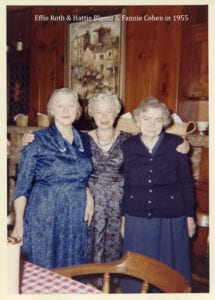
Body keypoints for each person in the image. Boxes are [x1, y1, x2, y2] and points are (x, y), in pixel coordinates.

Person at [21, 93, 190, 276]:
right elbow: (68, 168)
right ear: (91, 113)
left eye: (109, 111)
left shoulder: (129, 140)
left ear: (117, 113)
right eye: (99, 112)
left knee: (115, 245)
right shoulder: (82, 139)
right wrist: (29, 138)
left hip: (118, 201)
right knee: (84, 245)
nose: (104, 117)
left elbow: (155, 144)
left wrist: (184, 143)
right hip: (89, 201)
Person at [11, 88, 94, 269]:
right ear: (51, 111)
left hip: (75, 212)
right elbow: (22, 186)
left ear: (78, 111)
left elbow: (82, 174)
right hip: (45, 212)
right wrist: (19, 224)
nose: (65, 111)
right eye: (60, 106)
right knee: (44, 264)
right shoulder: (36, 140)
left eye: (70, 106)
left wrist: (88, 195)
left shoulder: (85, 140)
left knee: (73, 266)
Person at [120, 96, 196, 293]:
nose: (152, 125)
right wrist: (123, 218)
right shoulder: (128, 146)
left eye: (158, 119)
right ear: (137, 121)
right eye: (146, 119)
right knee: (136, 269)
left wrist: (190, 216)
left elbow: (186, 183)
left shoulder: (176, 143)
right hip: (137, 216)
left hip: (171, 216)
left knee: (170, 271)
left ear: (165, 122)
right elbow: (126, 184)